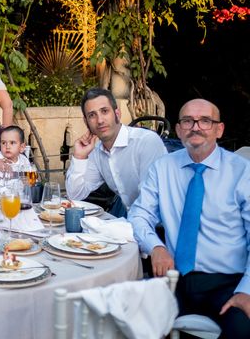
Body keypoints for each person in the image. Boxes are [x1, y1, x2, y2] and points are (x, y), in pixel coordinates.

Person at [129, 99, 250, 337]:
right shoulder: (162, 168)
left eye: (205, 121)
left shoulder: (242, 172)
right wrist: (156, 247)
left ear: (219, 129)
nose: (195, 127)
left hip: (229, 283)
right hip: (175, 279)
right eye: (187, 121)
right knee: (125, 314)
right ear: (178, 130)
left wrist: (247, 291)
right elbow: (139, 213)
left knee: (243, 328)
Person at [65, 88, 167, 217]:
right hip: (132, 222)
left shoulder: (146, 142)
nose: (100, 120)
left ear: (117, 113)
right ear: (86, 122)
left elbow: (150, 201)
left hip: (162, 228)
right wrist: (79, 157)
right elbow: (75, 195)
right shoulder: (97, 152)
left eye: (104, 111)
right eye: (92, 115)